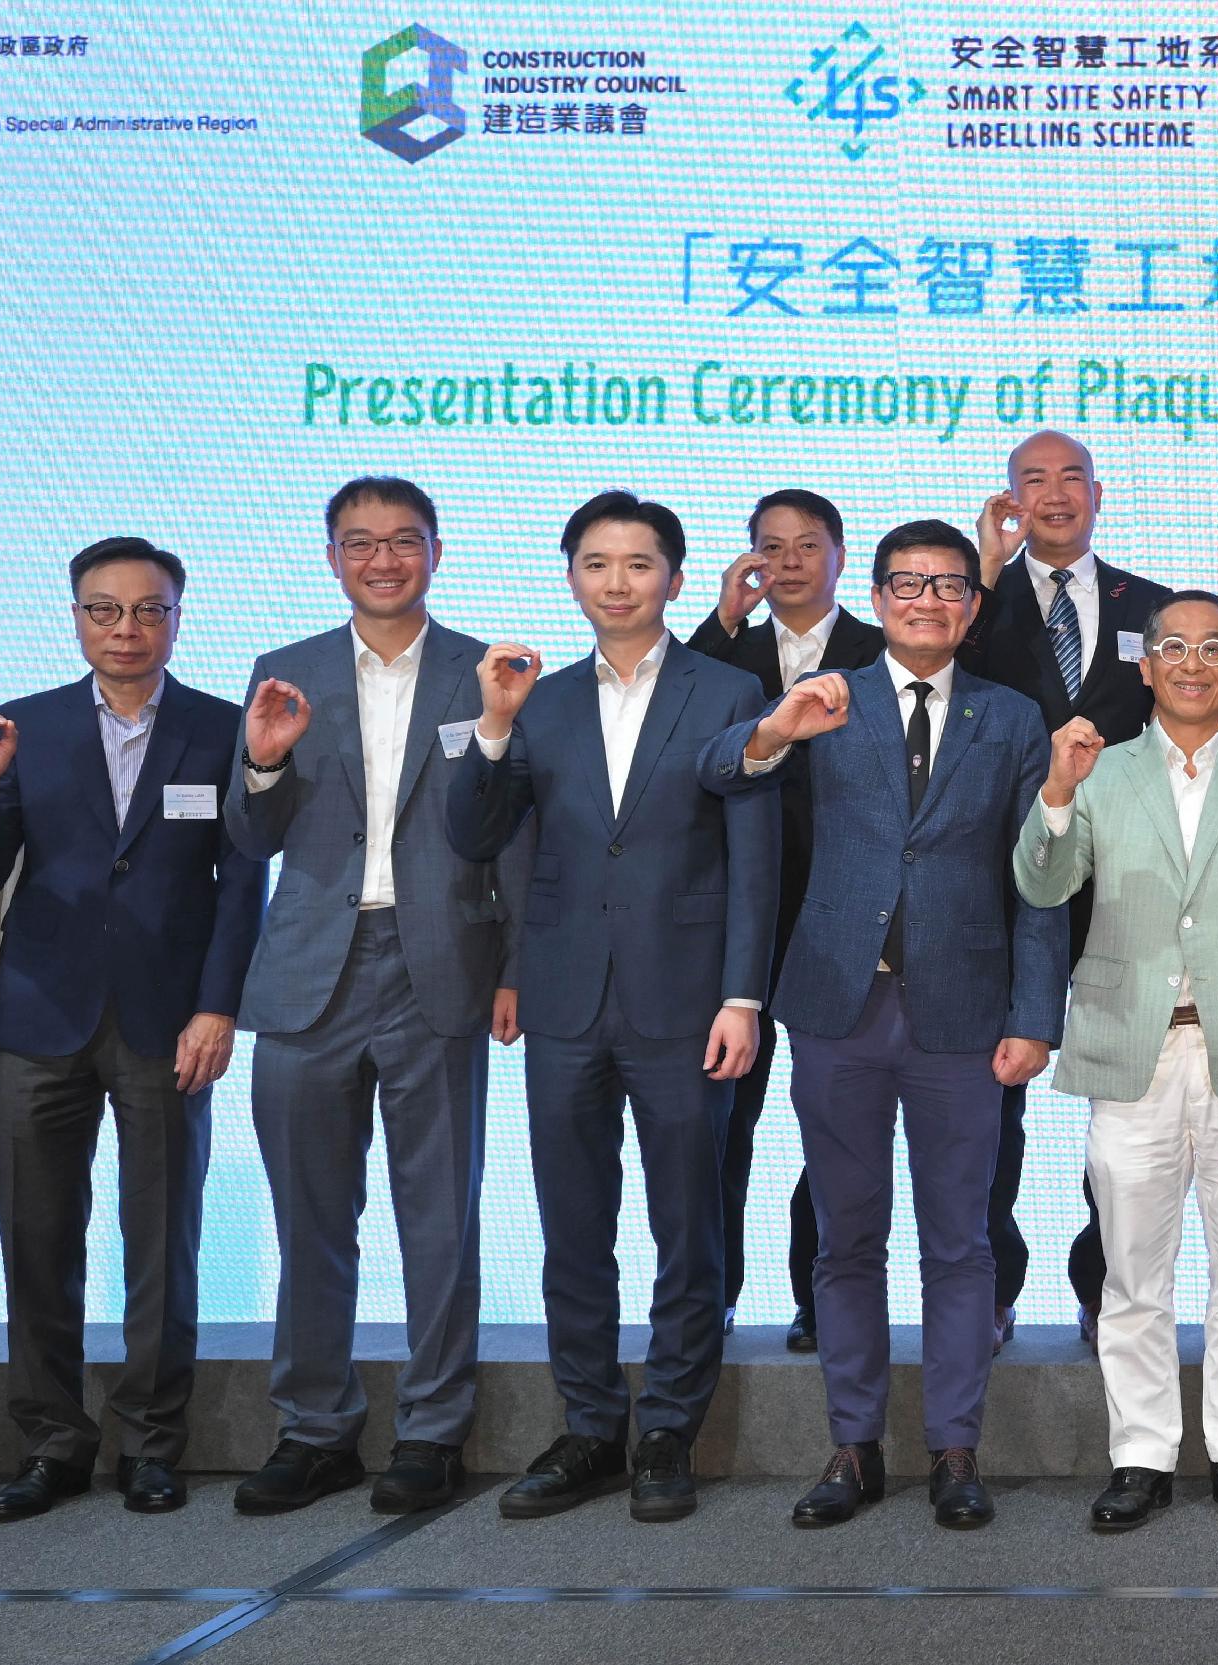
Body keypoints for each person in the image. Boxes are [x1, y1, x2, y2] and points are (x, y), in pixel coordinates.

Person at [709, 520, 1066, 1532]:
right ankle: (853, 1447)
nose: (928, 601)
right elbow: (719, 771)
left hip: (966, 1016)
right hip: (838, 1006)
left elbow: (1040, 874)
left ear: (972, 605)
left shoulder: (1012, 717)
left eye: (949, 585)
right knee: (845, 1239)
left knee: (961, 1245)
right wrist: (774, 731)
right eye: (908, 583)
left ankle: (955, 1450)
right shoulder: (825, 697)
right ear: (874, 598)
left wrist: (1035, 1015)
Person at [445, 492, 778, 1523]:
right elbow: (479, 838)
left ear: (673, 579)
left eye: (638, 564)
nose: (617, 582)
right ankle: (589, 1425)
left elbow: (755, 856)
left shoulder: (730, 688)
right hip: (564, 999)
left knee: (688, 1226)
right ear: (571, 578)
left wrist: (742, 995)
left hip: (687, 999)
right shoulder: (533, 702)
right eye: (596, 563)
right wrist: (492, 728)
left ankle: (668, 1428)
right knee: (573, 1226)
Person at [0, 536, 263, 1521]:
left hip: (170, 1019)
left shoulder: (222, 728)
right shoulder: (21, 726)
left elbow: (242, 882)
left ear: (177, 617)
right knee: (36, 1238)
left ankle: (153, 1445)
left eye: (149, 610)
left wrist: (219, 1006)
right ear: (76, 617)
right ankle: (52, 1444)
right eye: (105, 610)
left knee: (163, 1240)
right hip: (39, 1014)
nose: (127, 629)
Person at [221, 477, 520, 1517]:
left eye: (403, 541)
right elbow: (248, 837)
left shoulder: (486, 672)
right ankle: (314, 1430)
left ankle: (433, 1431)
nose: (382, 560)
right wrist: (261, 766)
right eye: (361, 543)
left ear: (436, 551)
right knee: (310, 1216)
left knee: (439, 1217)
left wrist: (514, 968)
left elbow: (515, 831)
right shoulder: (285, 671)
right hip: (311, 968)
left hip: (440, 962)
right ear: (331, 556)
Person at [1020, 590, 1218, 1530]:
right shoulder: (1097, 769)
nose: (1192, 664)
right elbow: (1042, 883)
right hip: (1131, 1048)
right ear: (1145, 665)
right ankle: (1141, 1456)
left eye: (1213, 649)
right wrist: (1057, 792)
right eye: (1174, 648)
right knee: (1131, 1274)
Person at [962, 431, 1169, 1344]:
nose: (1054, 493)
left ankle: (1107, 1284)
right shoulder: (971, 598)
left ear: (1098, 493)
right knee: (989, 1098)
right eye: (1033, 479)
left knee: (1124, 1102)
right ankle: (988, 1283)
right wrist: (984, 568)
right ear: (1010, 498)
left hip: (1128, 875)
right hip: (1001, 874)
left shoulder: (1152, 606)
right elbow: (943, 677)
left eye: (1071, 476)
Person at [688, 487, 886, 1355]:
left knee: (836, 1122)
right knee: (724, 1118)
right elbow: (683, 740)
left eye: (809, 544)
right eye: (772, 546)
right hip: (740, 915)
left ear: (842, 555)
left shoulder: (881, 653)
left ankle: (819, 1291)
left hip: (845, 912)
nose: (791, 560)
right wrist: (723, 621)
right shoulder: (721, 653)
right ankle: (715, 1289)